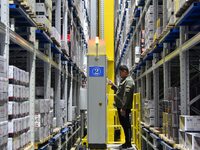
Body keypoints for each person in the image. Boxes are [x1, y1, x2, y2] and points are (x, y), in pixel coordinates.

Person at [108, 65, 135, 149]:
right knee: (124, 124)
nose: (120, 74)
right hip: (121, 107)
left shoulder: (129, 81)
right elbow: (120, 92)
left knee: (126, 125)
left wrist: (123, 108)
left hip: (124, 108)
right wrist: (113, 85)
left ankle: (128, 144)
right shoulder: (124, 81)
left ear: (125, 71)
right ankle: (126, 143)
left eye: (120, 72)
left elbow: (126, 96)